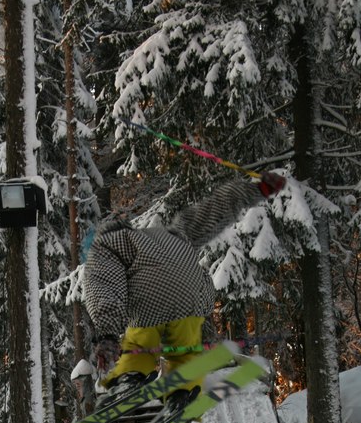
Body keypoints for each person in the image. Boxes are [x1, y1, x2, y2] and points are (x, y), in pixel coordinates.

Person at [82, 171, 286, 410]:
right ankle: (183, 390)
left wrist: (107, 334)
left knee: (140, 335)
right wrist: (258, 190)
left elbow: (104, 281)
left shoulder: (106, 244)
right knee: (185, 343)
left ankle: (131, 375)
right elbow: (213, 210)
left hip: (152, 295)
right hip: (192, 297)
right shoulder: (173, 233)